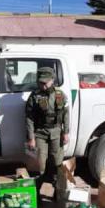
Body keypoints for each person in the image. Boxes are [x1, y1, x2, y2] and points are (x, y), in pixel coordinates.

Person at [25, 67, 69, 199]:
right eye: (40, 83)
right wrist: (31, 137)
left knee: (57, 163)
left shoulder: (60, 95)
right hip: (40, 133)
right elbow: (29, 118)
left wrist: (66, 132)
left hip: (56, 132)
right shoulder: (34, 96)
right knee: (38, 164)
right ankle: (35, 194)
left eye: (45, 83)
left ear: (52, 80)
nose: (43, 86)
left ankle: (58, 192)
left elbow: (66, 115)